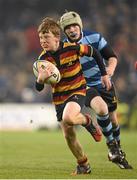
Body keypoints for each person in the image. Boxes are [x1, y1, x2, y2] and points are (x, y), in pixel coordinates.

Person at [34, 17, 111, 175]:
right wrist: (40, 80)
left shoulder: (72, 48)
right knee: (68, 135)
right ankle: (83, 165)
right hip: (59, 98)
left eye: (46, 37)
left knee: (69, 117)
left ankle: (87, 121)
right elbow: (39, 88)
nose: (43, 41)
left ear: (56, 37)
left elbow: (95, 53)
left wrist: (104, 74)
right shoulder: (43, 59)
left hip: (77, 90)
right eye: (41, 37)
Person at [59, 11, 133, 169]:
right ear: (64, 31)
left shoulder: (95, 37)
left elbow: (112, 57)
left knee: (113, 120)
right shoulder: (64, 48)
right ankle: (111, 145)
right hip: (84, 86)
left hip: (105, 82)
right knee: (101, 108)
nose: (72, 30)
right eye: (68, 28)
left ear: (80, 26)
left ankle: (116, 151)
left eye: (74, 26)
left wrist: (109, 72)